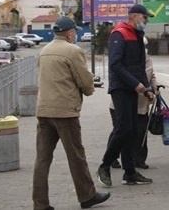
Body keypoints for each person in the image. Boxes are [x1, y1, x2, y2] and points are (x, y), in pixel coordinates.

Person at [32, 16, 110, 210]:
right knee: (76, 156)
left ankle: (40, 203)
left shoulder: (44, 51)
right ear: (69, 33)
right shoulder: (73, 51)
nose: (75, 35)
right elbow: (85, 82)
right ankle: (87, 196)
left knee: (42, 159)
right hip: (65, 112)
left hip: (44, 111)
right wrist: (90, 88)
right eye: (74, 32)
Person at [97, 4, 153, 187]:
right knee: (123, 128)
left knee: (132, 130)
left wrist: (147, 88)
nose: (146, 21)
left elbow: (139, 66)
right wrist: (135, 84)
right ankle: (104, 166)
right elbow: (115, 64)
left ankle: (130, 173)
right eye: (145, 17)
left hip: (132, 88)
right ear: (135, 16)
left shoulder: (138, 35)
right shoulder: (119, 34)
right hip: (120, 88)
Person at [107, 45, 157, 169]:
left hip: (141, 104)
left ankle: (139, 159)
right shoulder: (125, 60)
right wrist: (139, 86)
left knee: (141, 131)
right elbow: (126, 76)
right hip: (122, 103)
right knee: (120, 131)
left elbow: (151, 75)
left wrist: (154, 88)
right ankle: (112, 158)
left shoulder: (146, 58)